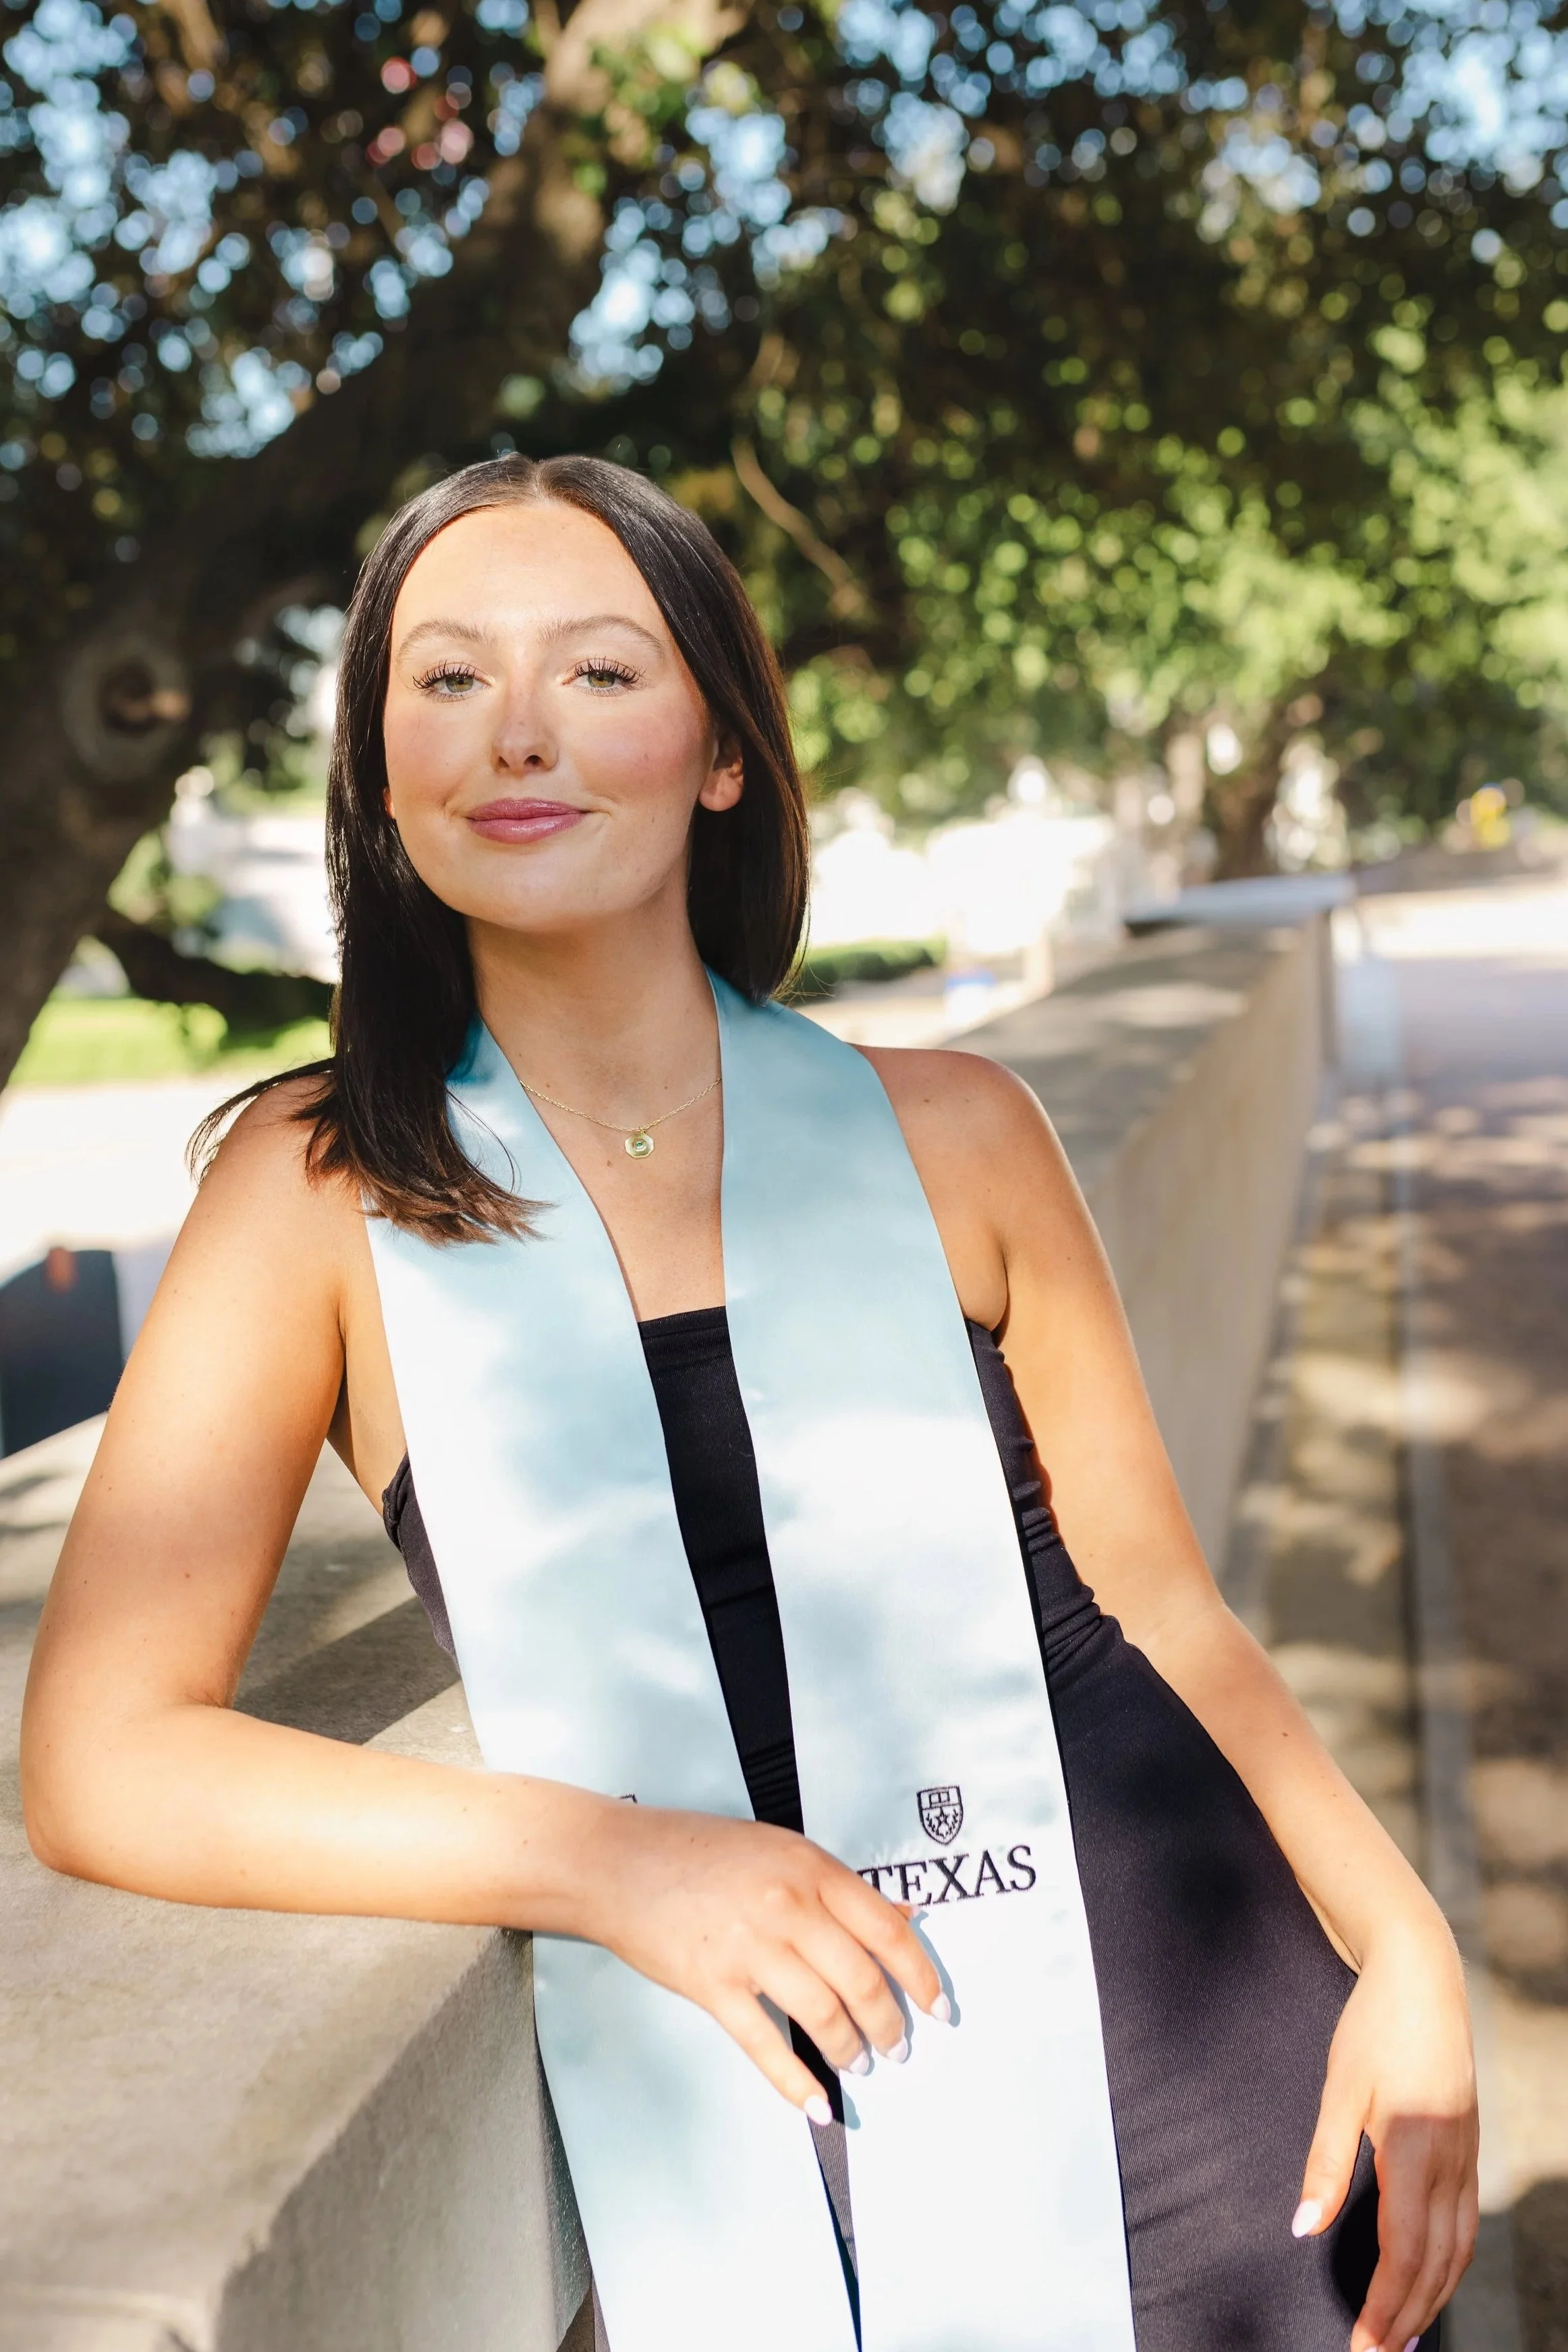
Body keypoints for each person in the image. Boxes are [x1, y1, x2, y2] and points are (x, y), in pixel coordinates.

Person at [22, 456, 1477, 2352]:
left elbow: (1160, 1608)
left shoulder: (955, 1132)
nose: (517, 730)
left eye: (602, 673)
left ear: (721, 749)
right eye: (446, 681)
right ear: (379, 776)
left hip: (1197, 2063)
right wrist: (609, 1854)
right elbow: (105, 1754)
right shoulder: (324, 1189)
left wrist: (1405, 1944)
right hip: (766, 2107)